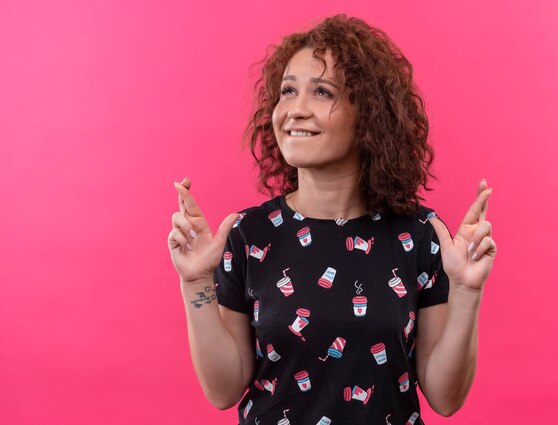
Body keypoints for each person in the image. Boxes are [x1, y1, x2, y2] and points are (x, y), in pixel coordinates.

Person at [168, 14, 496, 425]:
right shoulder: (249, 236)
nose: (295, 110)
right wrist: (195, 281)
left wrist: (466, 290)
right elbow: (223, 390)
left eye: (322, 92)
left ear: (369, 116)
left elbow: (446, 399)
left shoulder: (421, 237)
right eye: (288, 91)